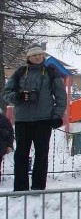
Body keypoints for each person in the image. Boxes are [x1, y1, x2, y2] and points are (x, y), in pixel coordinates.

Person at [2, 45, 67, 191]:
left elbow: (61, 97)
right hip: (23, 121)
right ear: (28, 58)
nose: (38, 57)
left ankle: (38, 187)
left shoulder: (51, 73)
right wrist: (18, 96)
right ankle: (20, 188)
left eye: (40, 54)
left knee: (42, 154)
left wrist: (57, 116)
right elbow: (6, 93)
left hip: (43, 120)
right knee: (21, 155)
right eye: (34, 55)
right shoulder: (19, 72)